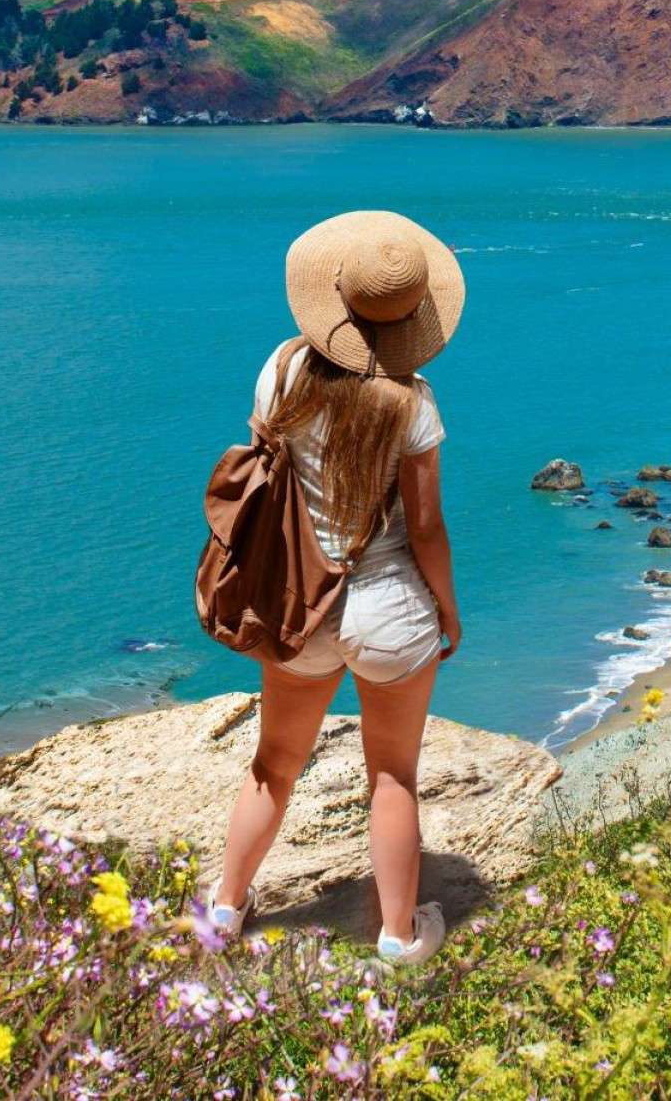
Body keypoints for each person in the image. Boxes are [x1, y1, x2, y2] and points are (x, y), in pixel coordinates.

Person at [210, 210, 465, 965]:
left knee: (274, 764)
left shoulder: (283, 369)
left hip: (299, 603)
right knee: (392, 774)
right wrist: (447, 611)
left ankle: (225, 911)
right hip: (390, 611)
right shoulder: (412, 405)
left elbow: (268, 461)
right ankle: (396, 936)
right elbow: (425, 530)